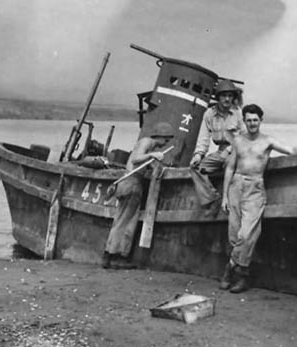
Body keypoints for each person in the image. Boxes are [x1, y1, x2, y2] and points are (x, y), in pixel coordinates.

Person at [220, 104, 297, 293]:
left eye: (255, 120)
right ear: (244, 121)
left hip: (255, 188)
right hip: (235, 187)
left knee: (247, 235)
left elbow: (291, 150)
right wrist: (224, 196)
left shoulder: (267, 141)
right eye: (249, 120)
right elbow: (230, 167)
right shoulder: (238, 141)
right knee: (234, 234)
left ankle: (234, 270)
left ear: (260, 121)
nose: (252, 123)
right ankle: (236, 270)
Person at [102, 122, 175, 269]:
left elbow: (142, 163)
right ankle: (115, 258)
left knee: (120, 220)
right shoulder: (146, 142)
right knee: (126, 222)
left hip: (127, 183)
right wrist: (152, 155)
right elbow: (136, 159)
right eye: (166, 140)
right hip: (131, 184)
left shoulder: (148, 145)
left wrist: (158, 162)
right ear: (160, 136)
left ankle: (108, 256)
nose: (166, 143)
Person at [189, 79, 244, 212]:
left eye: (230, 96)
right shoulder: (209, 114)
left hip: (237, 151)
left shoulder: (238, 113)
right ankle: (212, 199)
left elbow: (244, 137)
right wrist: (198, 154)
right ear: (218, 97)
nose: (227, 99)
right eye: (224, 95)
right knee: (196, 168)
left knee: (229, 166)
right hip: (220, 152)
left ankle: (233, 202)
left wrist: (230, 150)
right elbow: (204, 137)